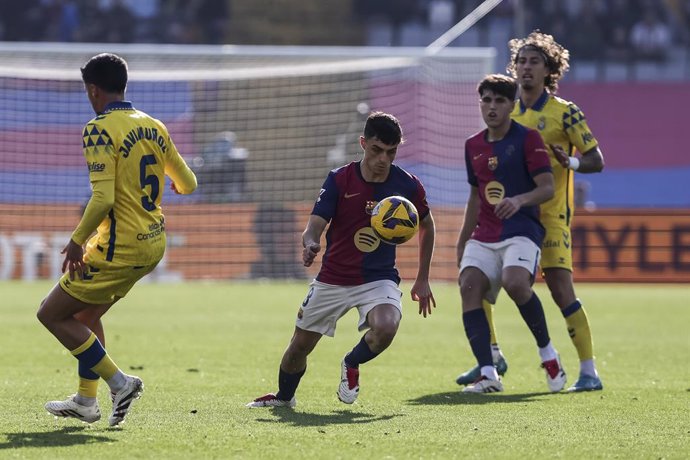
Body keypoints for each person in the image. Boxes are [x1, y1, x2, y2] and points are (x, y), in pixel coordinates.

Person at [37, 53, 197, 426]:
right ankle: (86, 402)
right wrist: (169, 181)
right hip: (153, 241)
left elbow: (104, 198)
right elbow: (189, 184)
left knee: (50, 313)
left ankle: (120, 382)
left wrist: (78, 240)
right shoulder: (154, 125)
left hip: (118, 245)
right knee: (86, 314)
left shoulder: (99, 127)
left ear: (93, 90)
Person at [247, 111, 436, 407]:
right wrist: (310, 244)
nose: (383, 158)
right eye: (376, 150)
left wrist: (423, 278)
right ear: (363, 143)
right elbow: (314, 227)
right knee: (299, 347)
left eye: (391, 152)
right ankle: (284, 398)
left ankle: (351, 362)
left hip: (378, 277)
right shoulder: (340, 179)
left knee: (387, 326)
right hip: (333, 278)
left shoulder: (408, 185)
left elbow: (427, 224)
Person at [456, 31, 605, 392]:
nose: (525, 67)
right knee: (478, 278)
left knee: (559, 289)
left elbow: (596, 160)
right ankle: (491, 358)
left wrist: (567, 161)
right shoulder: (507, 108)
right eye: (521, 61)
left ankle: (588, 370)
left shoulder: (564, 113)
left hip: (549, 214)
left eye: (534, 61)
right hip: (504, 218)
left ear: (549, 69)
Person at [457, 74, 564, 394]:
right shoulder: (472, 145)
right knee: (468, 285)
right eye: (486, 100)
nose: (491, 107)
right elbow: (476, 197)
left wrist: (518, 200)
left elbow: (547, 188)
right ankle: (488, 374)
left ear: (511, 105)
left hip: (522, 230)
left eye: (499, 101)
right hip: (485, 234)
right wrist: (462, 242)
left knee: (516, 282)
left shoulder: (528, 139)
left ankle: (549, 355)